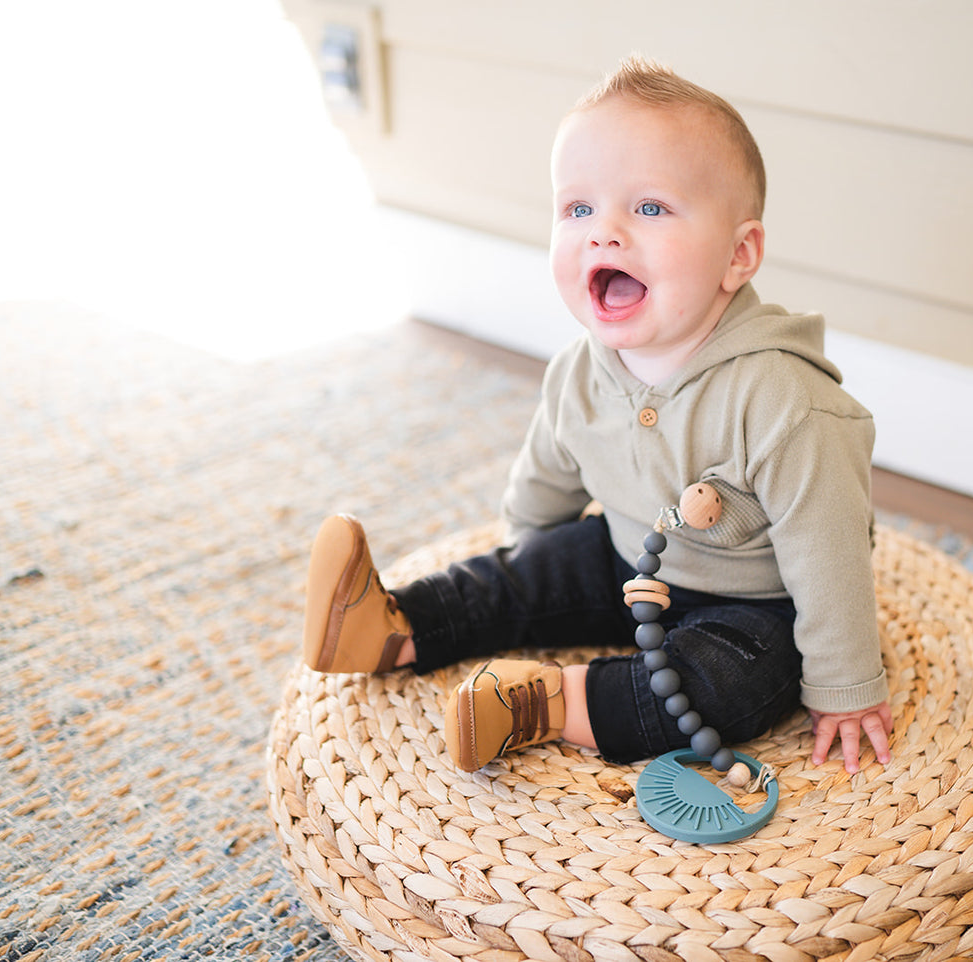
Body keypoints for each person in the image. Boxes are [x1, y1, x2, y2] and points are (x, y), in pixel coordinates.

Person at [302, 56, 892, 777]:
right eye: (577, 209)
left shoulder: (784, 402)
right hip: (621, 558)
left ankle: (551, 702)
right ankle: (394, 627)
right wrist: (532, 568)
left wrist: (846, 687)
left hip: (749, 608)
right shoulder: (579, 371)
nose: (602, 232)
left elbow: (827, 554)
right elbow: (544, 480)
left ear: (738, 255)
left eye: (648, 208)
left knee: (724, 690)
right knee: (526, 572)